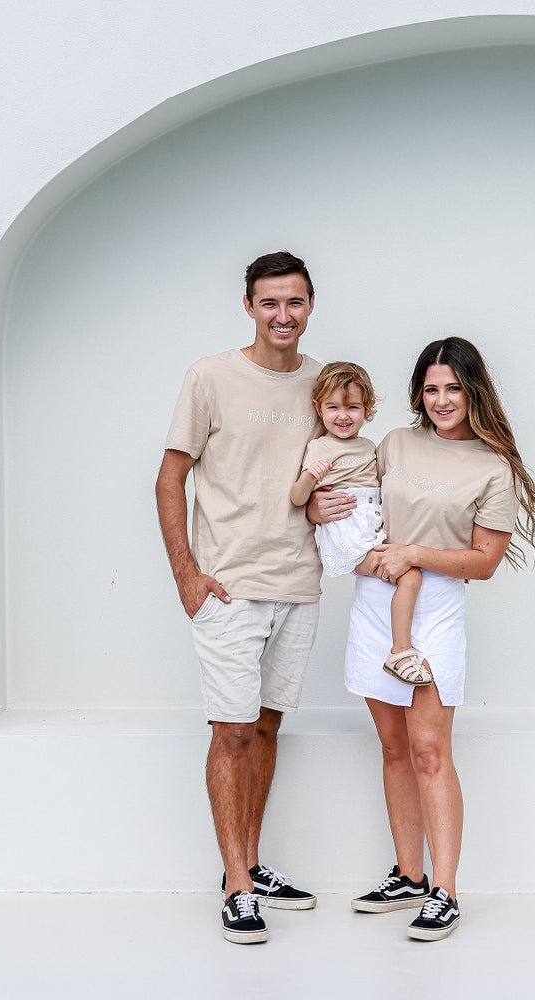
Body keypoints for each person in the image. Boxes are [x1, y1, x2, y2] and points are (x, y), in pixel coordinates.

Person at [312, 337, 535, 941]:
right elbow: (356, 501)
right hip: (376, 597)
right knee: (394, 748)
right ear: (417, 394)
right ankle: (408, 875)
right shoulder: (394, 443)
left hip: (435, 607)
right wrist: (319, 506)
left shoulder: (491, 467)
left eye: (453, 388)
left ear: (472, 391)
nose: (442, 399)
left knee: (429, 749)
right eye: (431, 389)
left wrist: (414, 553)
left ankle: (445, 891)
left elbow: (484, 562)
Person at [155, 251, 322, 945]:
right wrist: (188, 577)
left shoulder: (322, 381)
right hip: (228, 588)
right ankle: (236, 884)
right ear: (249, 307)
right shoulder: (210, 377)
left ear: (310, 305)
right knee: (230, 730)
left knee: (267, 727)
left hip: (299, 584)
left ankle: (250, 863)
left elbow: (330, 467)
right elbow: (169, 480)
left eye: (295, 302)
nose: (283, 315)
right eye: (269, 303)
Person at [290, 363, 433, 686]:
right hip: (348, 532)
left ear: (367, 409)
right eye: (333, 407)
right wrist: (310, 477)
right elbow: (298, 498)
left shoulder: (369, 446)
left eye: (353, 407)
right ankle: (401, 650)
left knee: (408, 569)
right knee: (410, 575)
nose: (343, 416)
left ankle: (399, 645)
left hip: (371, 525)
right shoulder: (320, 447)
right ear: (318, 408)